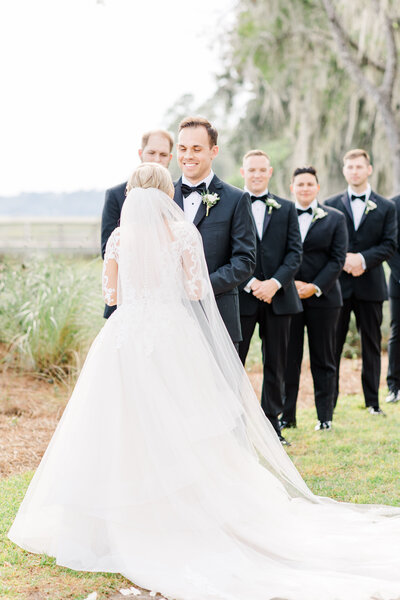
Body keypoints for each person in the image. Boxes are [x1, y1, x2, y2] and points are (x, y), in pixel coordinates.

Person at [9, 162, 400, 600]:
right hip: (171, 331)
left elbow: (111, 296)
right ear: (165, 193)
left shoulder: (120, 238)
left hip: (124, 338)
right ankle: (185, 509)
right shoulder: (182, 234)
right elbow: (197, 290)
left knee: (122, 423)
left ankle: (119, 518)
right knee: (182, 421)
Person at [174, 116, 256, 348]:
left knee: (219, 386)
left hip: (219, 316)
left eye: (196, 149)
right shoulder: (163, 195)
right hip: (170, 319)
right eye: (183, 148)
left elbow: (244, 261)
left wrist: (203, 286)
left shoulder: (236, 199)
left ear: (214, 151)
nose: (188, 156)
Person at [325, 149, 397, 415]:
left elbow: (389, 244)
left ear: (369, 169)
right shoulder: (330, 204)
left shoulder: (386, 207)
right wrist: (344, 260)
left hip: (371, 285)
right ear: (344, 171)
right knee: (332, 345)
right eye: (350, 167)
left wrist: (362, 260)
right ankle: (328, 404)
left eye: (359, 167)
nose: (354, 171)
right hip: (338, 287)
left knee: (371, 344)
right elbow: (325, 243)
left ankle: (373, 403)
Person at [238, 149, 302, 445]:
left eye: (262, 170)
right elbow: (225, 252)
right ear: (243, 172)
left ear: (271, 172)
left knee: (276, 363)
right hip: (242, 297)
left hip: (279, 298)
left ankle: (272, 426)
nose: (257, 174)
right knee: (233, 362)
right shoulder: (231, 205)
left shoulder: (287, 209)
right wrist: (251, 283)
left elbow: (294, 253)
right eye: (252, 170)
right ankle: (235, 425)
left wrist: (274, 283)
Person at [281, 167, 348, 432]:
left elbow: (337, 258)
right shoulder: (283, 215)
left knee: (324, 359)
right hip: (290, 297)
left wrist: (315, 286)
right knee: (289, 358)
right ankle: (287, 416)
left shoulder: (335, 218)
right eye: (300, 184)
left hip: (325, 298)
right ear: (292, 187)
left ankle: (325, 417)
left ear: (317, 188)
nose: (305, 188)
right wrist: (290, 284)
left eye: (310, 184)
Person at [101, 129, 174, 318]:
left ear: (170, 157)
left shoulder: (176, 194)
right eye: (152, 152)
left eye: (163, 154)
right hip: (128, 305)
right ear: (141, 153)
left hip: (171, 308)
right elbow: (108, 250)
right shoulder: (116, 195)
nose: (157, 159)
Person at [386, 193, 400, 403]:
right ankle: (395, 387)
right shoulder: (393, 205)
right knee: (398, 331)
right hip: (399, 280)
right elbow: (390, 245)